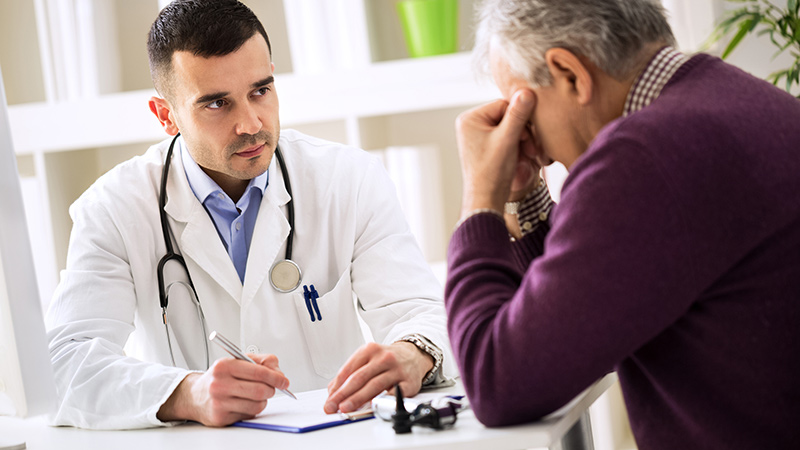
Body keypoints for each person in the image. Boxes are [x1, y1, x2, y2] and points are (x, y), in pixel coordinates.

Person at [46, 0, 455, 430]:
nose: (250, 124)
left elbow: (422, 311)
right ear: (166, 115)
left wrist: (414, 352)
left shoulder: (348, 179)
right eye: (217, 104)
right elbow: (63, 364)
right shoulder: (114, 209)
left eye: (260, 90)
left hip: (336, 438)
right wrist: (187, 394)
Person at [446, 0, 800, 449]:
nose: (533, 143)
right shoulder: (738, 101)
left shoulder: (644, 156)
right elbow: (574, 333)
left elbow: (495, 381)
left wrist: (480, 198)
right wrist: (523, 192)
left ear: (570, 73)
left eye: (524, 113)